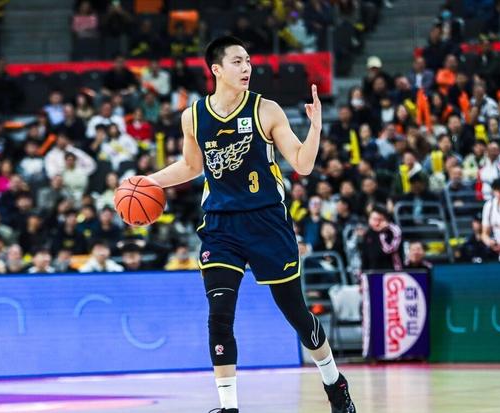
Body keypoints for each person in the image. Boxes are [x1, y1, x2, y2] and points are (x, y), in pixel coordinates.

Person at [147, 36, 355, 413]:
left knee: (297, 314)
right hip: (221, 226)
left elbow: (303, 164)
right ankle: (229, 407)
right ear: (217, 69)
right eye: (238, 62)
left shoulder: (266, 110)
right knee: (219, 316)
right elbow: (191, 166)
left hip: (267, 222)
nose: (247, 68)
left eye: (248, 61)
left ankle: (334, 382)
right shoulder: (193, 116)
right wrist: (148, 182)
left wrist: (315, 128)